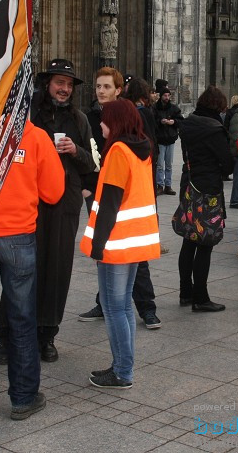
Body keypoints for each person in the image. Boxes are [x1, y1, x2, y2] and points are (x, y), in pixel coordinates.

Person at [0, 120, 64, 421]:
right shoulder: (35, 135)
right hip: (19, 237)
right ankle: (23, 397)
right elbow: (54, 193)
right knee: (22, 319)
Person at [0, 59, 95, 365]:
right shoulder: (29, 116)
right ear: (46, 84)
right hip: (28, 204)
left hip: (64, 207)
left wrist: (75, 152)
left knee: (57, 271)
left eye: (68, 84)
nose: (64, 89)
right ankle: (7, 338)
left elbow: (92, 163)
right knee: (20, 272)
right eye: (58, 83)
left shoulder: (79, 120)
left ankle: (46, 336)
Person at [80, 99, 160, 388]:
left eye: (104, 119)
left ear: (114, 122)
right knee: (124, 306)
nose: (100, 124)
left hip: (116, 241)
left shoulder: (117, 151)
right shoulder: (142, 149)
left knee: (115, 308)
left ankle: (122, 371)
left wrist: (97, 246)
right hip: (135, 239)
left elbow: (110, 203)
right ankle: (122, 366)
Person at [78, 68, 160, 329]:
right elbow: (87, 153)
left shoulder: (128, 116)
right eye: (98, 86)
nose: (101, 91)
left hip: (126, 194)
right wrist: (87, 185)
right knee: (110, 257)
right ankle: (105, 303)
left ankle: (147, 307)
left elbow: (146, 150)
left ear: (118, 89)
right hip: (100, 189)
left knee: (127, 253)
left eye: (106, 86)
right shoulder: (91, 117)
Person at [177, 86, 235, 311]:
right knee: (205, 242)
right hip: (208, 190)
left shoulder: (188, 124)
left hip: (189, 184)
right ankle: (201, 297)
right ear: (218, 106)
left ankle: (185, 292)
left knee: (189, 239)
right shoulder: (214, 129)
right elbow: (227, 163)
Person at [154, 86, 183, 195]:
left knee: (169, 165)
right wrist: (160, 122)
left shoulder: (174, 108)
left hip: (170, 139)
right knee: (160, 164)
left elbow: (181, 120)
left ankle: (168, 185)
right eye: (165, 95)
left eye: (168, 95)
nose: (166, 97)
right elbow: (153, 120)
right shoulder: (156, 108)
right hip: (161, 139)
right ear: (161, 96)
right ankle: (160, 185)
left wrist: (173, 122)